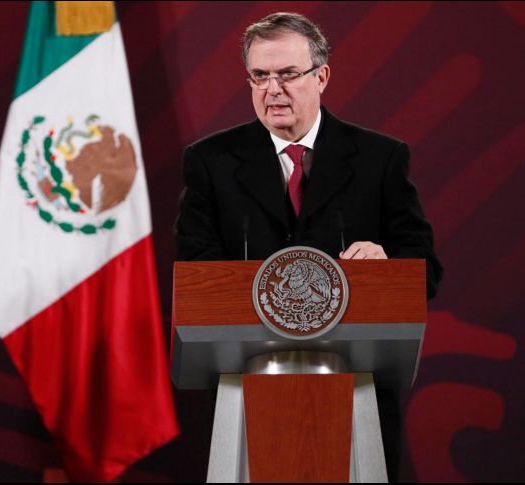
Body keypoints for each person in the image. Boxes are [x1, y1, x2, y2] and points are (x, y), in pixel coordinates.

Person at [174, 12, 443, 480]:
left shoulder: (379, 158)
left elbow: (425, 269)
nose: (272, 89)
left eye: (287, 74)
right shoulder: (210, 162)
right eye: (259, 75)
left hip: (356, 395)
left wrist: (385, 265)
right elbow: (196, 271)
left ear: (321, 76)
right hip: (246, 394)